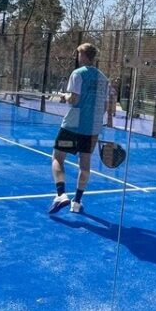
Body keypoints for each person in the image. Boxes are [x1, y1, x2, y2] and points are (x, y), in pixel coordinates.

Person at [49, 43, 112, 215]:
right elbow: (105, 106)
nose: (78, 57)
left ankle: (61, 195)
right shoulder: (103, 79)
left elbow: (74, 100)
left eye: (79, 54)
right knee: (84, 166)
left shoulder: (77, 74)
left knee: (57, 158)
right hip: (92, 128)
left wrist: (65, 96)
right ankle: (76, 202)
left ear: (84, 56)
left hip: (72, 125)